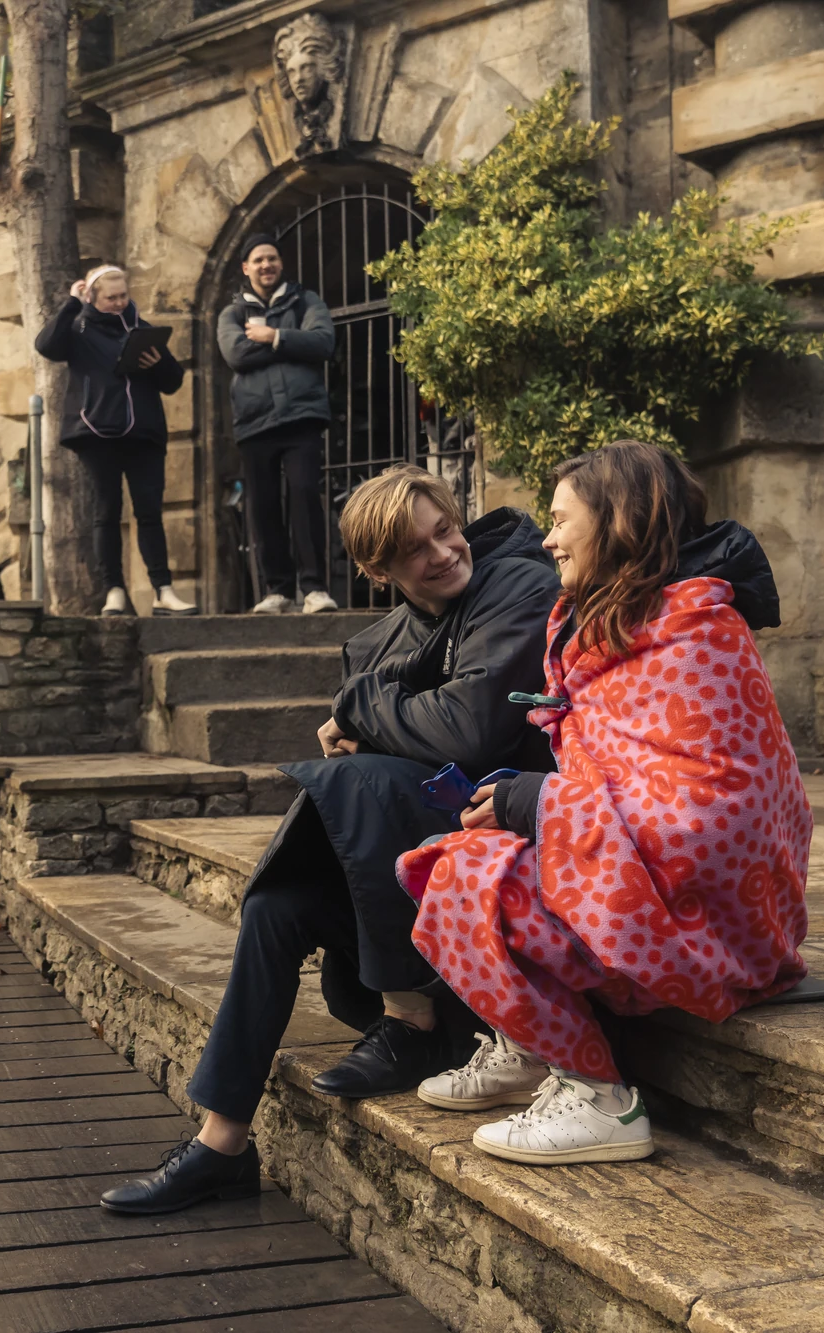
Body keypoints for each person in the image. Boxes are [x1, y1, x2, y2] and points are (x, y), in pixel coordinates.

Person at [100, 465, 562, 1214]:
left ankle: (414, 1016)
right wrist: (380, 717)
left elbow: (471, 729)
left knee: (356, 780)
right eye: (417, 550)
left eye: (445, 528)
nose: (444, 552)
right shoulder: (383, 640)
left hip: (504, 858)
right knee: (275, 907)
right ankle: (222, 1142)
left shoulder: (516, 584)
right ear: (378, 570)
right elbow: (412, 730)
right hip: (414, 883)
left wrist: (363, 705)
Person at [402, 440, 812, 1166]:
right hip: (666, 893)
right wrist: (535, 799)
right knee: (458, 860)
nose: (548, 538)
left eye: (561, 520)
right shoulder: (630, 622)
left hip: (719, 923)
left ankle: (599, 1097)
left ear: (616, 520)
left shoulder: (693, 633)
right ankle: (530, 1048)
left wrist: (540, 803)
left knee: (472, 876)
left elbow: (710, 822)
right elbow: (631, 784)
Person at [34, 265, 197, 618]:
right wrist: (71, 304)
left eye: (123, 295)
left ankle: (163, 591)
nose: (119, 303)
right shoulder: (77, 328)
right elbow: (46, 346)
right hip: (96, 433)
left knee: (149, 511)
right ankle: (115, 591)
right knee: (105, 513)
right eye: (111, 297)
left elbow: (172, 382)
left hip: (143, 434)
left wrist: (157, 365)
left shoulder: (143, 329)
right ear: (93, 296)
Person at [216, 235, 337, 614]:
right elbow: (236, 353)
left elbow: (322, 342)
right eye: (259, 260)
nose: (266, 265)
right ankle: (278, 590)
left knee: (304, 497)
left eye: (272, 258)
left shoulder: (306, 301)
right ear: (246, 268)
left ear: (280, 264)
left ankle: (314, 588)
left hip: (301, 416)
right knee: (264, 507)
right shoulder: (231, 314)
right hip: (255, 423)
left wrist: (275, 336)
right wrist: (291, 345)